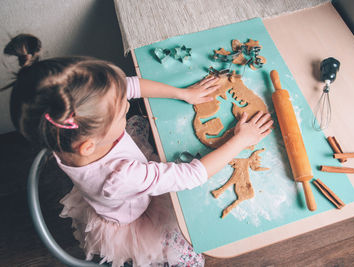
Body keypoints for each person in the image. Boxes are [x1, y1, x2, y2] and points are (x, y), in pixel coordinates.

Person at [3, 34, 273, 267]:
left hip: (113, 186)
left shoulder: (64, 136)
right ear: (89, 144)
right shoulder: (122, 176)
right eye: (122, 112)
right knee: (192, 257)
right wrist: (240, 140)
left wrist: (184, 94)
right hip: (134, 213)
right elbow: (191, 175)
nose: (127, 108)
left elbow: (129, 86)